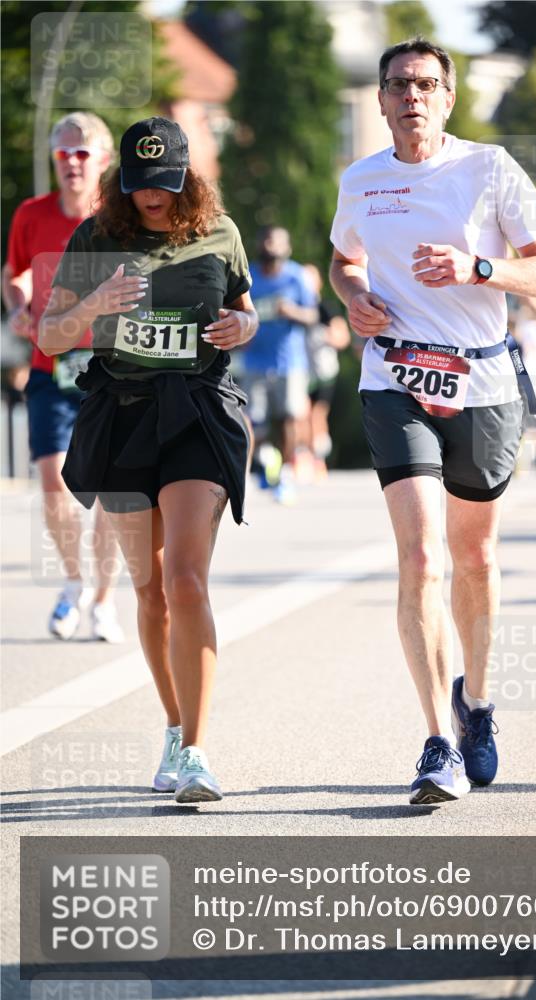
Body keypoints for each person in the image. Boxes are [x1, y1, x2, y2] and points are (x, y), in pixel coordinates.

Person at [330, 38, 536, 804]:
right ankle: (437, 743)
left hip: (483, 380)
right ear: (380, 98)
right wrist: (352, 294)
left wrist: (479, 268)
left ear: (448, 96)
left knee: (476, 560)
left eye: (426, 84)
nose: (412, 97)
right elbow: (343, 258)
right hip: (394, 376)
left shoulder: (488, 168)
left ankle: (478, 702)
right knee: (422, 559)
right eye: (398, 84)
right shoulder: (360, 181)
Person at [39, 117, 257, 804]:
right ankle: (170, 724)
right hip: (123, 417)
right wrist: (94, 307)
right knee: (150, 590)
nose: (151, 200)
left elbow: (246, 310)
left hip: (197, 410)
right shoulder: (97, 236)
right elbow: (49, 334)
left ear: (186, 178)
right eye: (138, 187)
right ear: (120, 181)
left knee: (188, 579)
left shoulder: (218, 233)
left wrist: (242, 326)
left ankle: (195, 750)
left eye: (163, 187)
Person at [2, 112, 125, 642]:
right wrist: (18, 305)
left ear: (102, 160)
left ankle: (102, 600)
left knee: (112, 494)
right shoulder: (31, 214)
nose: (72, 162)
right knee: (54, 482)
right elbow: (15, 274)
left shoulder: (119, 215)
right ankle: (73, 582)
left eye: (82, 153)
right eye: (62, 154)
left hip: (110, 369)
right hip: (50, 367)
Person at [241, 226, 318, 503]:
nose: (270, 245)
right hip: (254, 359)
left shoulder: (297, 276)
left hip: (289, 360)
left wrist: (292, 311)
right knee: (254, 421)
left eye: (276, 241)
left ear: (287, 246)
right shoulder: (248, 275)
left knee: (289, 418)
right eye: (266, 239)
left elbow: (313, 315)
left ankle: (284, 473)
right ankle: (263, 460)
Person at [302, 262, 351, 478]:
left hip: (323, 371)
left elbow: (342, 337)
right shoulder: (295, 307)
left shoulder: (326, 308)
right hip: (300, 370)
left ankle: (318, 459)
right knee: (299, 415)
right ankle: (300, 458)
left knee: (317, 415)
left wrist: (323, 336)